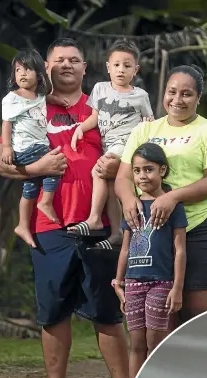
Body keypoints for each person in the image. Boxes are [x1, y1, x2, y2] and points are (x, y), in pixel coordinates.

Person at [0, 38, 129, 378]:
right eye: (58, 60)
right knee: (52, 312)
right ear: (45, 68)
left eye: (74, 60)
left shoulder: (104, 107)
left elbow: (133, 155)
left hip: (100, 225)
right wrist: (36, 170)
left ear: (86, 68)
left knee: (106, 313)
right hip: (47, 226)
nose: (66, 65)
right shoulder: (30, 105)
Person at [115, 64, 207, 325]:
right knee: (162, 317)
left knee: (197, 316)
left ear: (198, 97)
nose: (177, 100)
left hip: (200, 227)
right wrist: (128, 199)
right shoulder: (145, 130)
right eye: (172, 92)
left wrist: (172, 197)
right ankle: (164, 366)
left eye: (186, 94)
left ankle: (204, 366)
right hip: (154, 233)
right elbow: (123, 177)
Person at [68, 39, 154, 249]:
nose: (121, 70)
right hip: (110, 145)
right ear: (108, 67)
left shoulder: (140, 95)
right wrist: (80, 128)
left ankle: (95, 218)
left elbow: (149, 122)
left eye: (127, 66)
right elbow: (95, 117)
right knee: (108, 183)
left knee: (98, 171)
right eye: (116, 65)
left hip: (127, 144)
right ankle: (117, 232)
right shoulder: (100, 89)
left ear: (136, 70)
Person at [114, 143, 187, 378]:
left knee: (154, 342)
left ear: (162, 170)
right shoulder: (131, 207)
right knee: (135, 344)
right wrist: (119, 282)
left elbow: (179, 250)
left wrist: (177, 287)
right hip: (133, 284)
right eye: (136, 171)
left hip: (161, 283)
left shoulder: (172, 206)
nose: (142, 176)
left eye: (149, 169)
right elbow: (125, 248)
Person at [1, 49, 62, 248]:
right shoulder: (12, 98)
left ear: (39, 74)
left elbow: (46, 100)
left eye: (28, 69)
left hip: (36, 147)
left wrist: (58, 100)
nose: (23, 74)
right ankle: (46, 202)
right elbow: (7, 123)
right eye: (18, 70)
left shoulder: (39, 96)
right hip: (27, 149)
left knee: (30, 187)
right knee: (56, 164)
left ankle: (23, 225)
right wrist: (7, 147)